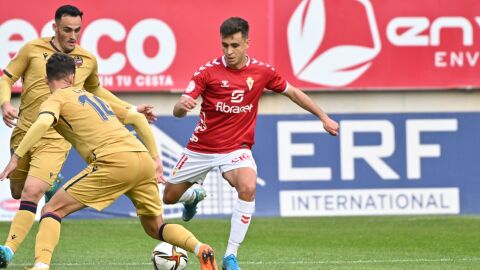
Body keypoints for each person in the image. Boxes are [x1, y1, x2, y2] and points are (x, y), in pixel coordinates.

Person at [0, 52, 218, 270]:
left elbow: (43, 122)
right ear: (73, 77)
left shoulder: (55, 98)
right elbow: (137, 118)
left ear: (47, 81)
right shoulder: (92, 97)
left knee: (51, 210)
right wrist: (156, 159)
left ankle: (41, 266)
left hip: (113, 162)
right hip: (141, 158)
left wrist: (16, 157)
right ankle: (201, 249)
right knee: (155, 227)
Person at [162, 17, 339, 270]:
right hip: (201, 148)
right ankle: (192, 197)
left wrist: (323, 116)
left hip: (236, 148)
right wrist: (182, 106)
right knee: (169, 197)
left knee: (247, 186)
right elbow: (179, 109)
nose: (229, 52)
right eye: (224, 45)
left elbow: (293, 92)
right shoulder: (207, 72)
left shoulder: (262, 72)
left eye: (235, 45)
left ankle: (230, 256)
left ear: (247, 42)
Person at [0, 5, 156, 267]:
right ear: (55, 28)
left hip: (54, 137)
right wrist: (5, 103)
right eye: (67, 30)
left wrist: (130, 108)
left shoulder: (88, 59)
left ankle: (8, 251)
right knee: (17, 191)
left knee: (31, 191)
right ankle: (51, 184)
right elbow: (6, 78)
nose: (73, 36)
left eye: (77, 31)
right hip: (24, 131)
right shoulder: (31, 49)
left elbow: (97, 92)